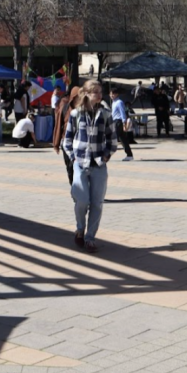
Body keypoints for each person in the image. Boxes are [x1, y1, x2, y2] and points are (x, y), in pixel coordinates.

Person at [62, 80, 116, 253]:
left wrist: (107, 155)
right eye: (95, 92)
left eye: (100, 91)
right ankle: (80, 228)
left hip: (99, 164)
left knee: (97, 203)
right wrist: (73, 158)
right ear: (86, 93)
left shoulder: (106, 114)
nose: (99, 95)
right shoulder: (75, 114)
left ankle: (90, 238)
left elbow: (113, 140)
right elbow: (67, 140)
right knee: (82, 200)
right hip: (80, 163)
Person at [53, 86, 80, 185]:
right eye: (77, 97)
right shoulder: (65, 109)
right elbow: (58, 125)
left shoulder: (85, 110)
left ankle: (82, 191)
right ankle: (74, 187)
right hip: (66, 142)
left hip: (80, 143)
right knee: (69, 167)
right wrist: (56, 143)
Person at [109, 87, 135, 162]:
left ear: (117, 94)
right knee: (123, 139)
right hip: (115, 121)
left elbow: (122, 113)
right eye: (111, 94)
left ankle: (106, 154)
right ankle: (129, 154)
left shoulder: (119, 102)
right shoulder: (113, 102)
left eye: (113, 94)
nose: (112, 95)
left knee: (113, 138)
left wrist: (124, 123)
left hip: (118, 121)